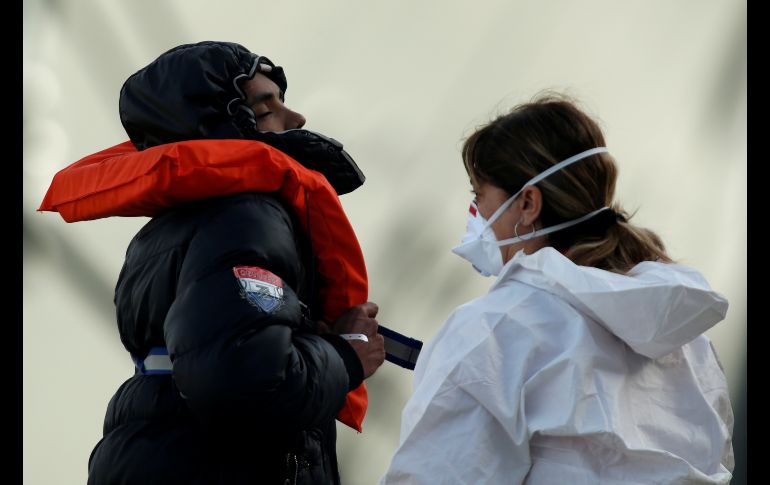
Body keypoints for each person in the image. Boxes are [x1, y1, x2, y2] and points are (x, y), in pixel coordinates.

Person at [40, 41, 386, 484]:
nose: (296, 119)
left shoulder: (171, 229)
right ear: (224, 127)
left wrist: (304, 338)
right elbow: (245, 383)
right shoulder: (246, 218)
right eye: (266, 109)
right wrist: (346, 355)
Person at [380, 93, 734, 484]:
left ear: (528, 203)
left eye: (478, 195)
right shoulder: (682, 333)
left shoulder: (494, 330)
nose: (476, 214)